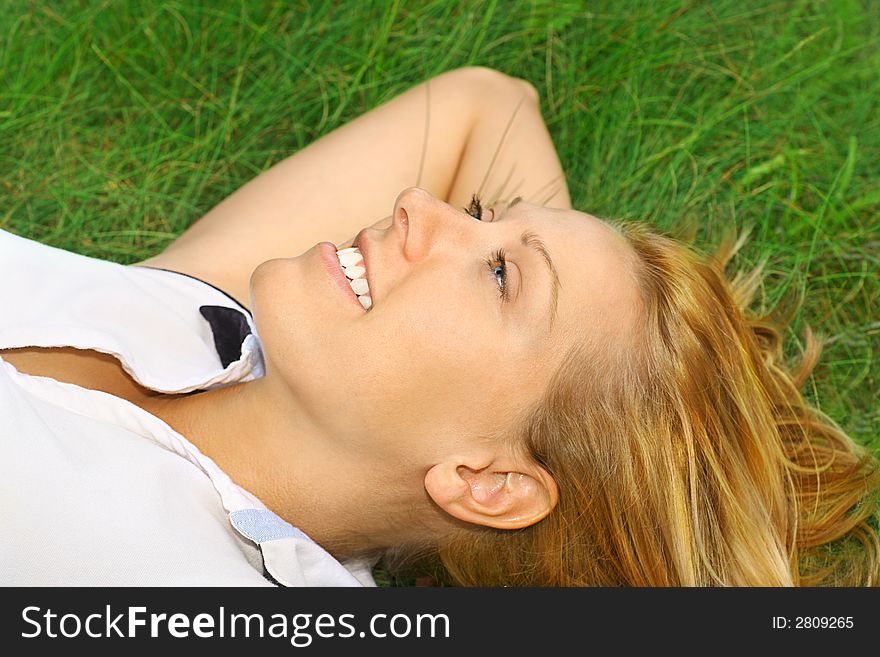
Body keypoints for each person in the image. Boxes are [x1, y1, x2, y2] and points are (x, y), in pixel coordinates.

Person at [1, 67, 877, 586]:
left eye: (499, 273)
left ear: (487, 484)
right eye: (484, 215)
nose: (421, 208)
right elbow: (486, 107)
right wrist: (538, 393)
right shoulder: (203, 326)